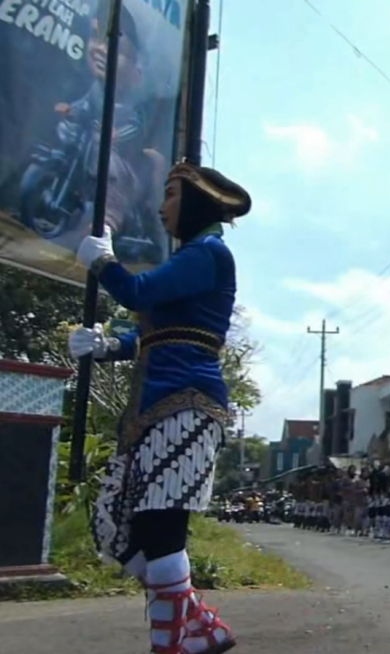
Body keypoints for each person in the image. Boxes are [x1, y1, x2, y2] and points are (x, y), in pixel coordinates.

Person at [70, 160, 250, 654]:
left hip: (188, 405)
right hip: (152, 406)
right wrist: (109, 346)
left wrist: (104, 263)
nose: (160, 206)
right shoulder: (193, 257)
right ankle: (203, 627)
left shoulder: (210, 253)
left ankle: (171, 644)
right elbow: (155, 332)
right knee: (116, 521)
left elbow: (137, 292)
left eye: (171, 194)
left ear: (195, 202)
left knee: (160, 526)